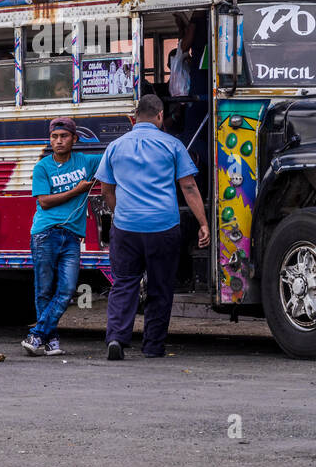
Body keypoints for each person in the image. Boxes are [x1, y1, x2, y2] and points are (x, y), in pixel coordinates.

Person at [96, 93, 208, 360]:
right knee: (160, 286)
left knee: (124, 283)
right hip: (163, 227)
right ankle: (153, 346)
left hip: (126, 227)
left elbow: (106, 190)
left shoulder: (115, 146)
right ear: (160, 116)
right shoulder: (172, 145)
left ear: (134, 118)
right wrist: (203, 223)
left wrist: (119, 213)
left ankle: (116, 338)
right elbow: (189, 186)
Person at [21, 117, 100, 357]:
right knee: (44, 289)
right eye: (54, 137)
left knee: (66, 289)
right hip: (45, 234)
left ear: (74, 139)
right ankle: (51, 339)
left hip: (72, 236)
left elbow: (114, 157)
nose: (58, 141)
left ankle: (38, 335)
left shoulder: (86, 162)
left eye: (64, 136)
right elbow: (44, 202)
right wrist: (77, 190)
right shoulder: (42, 167)